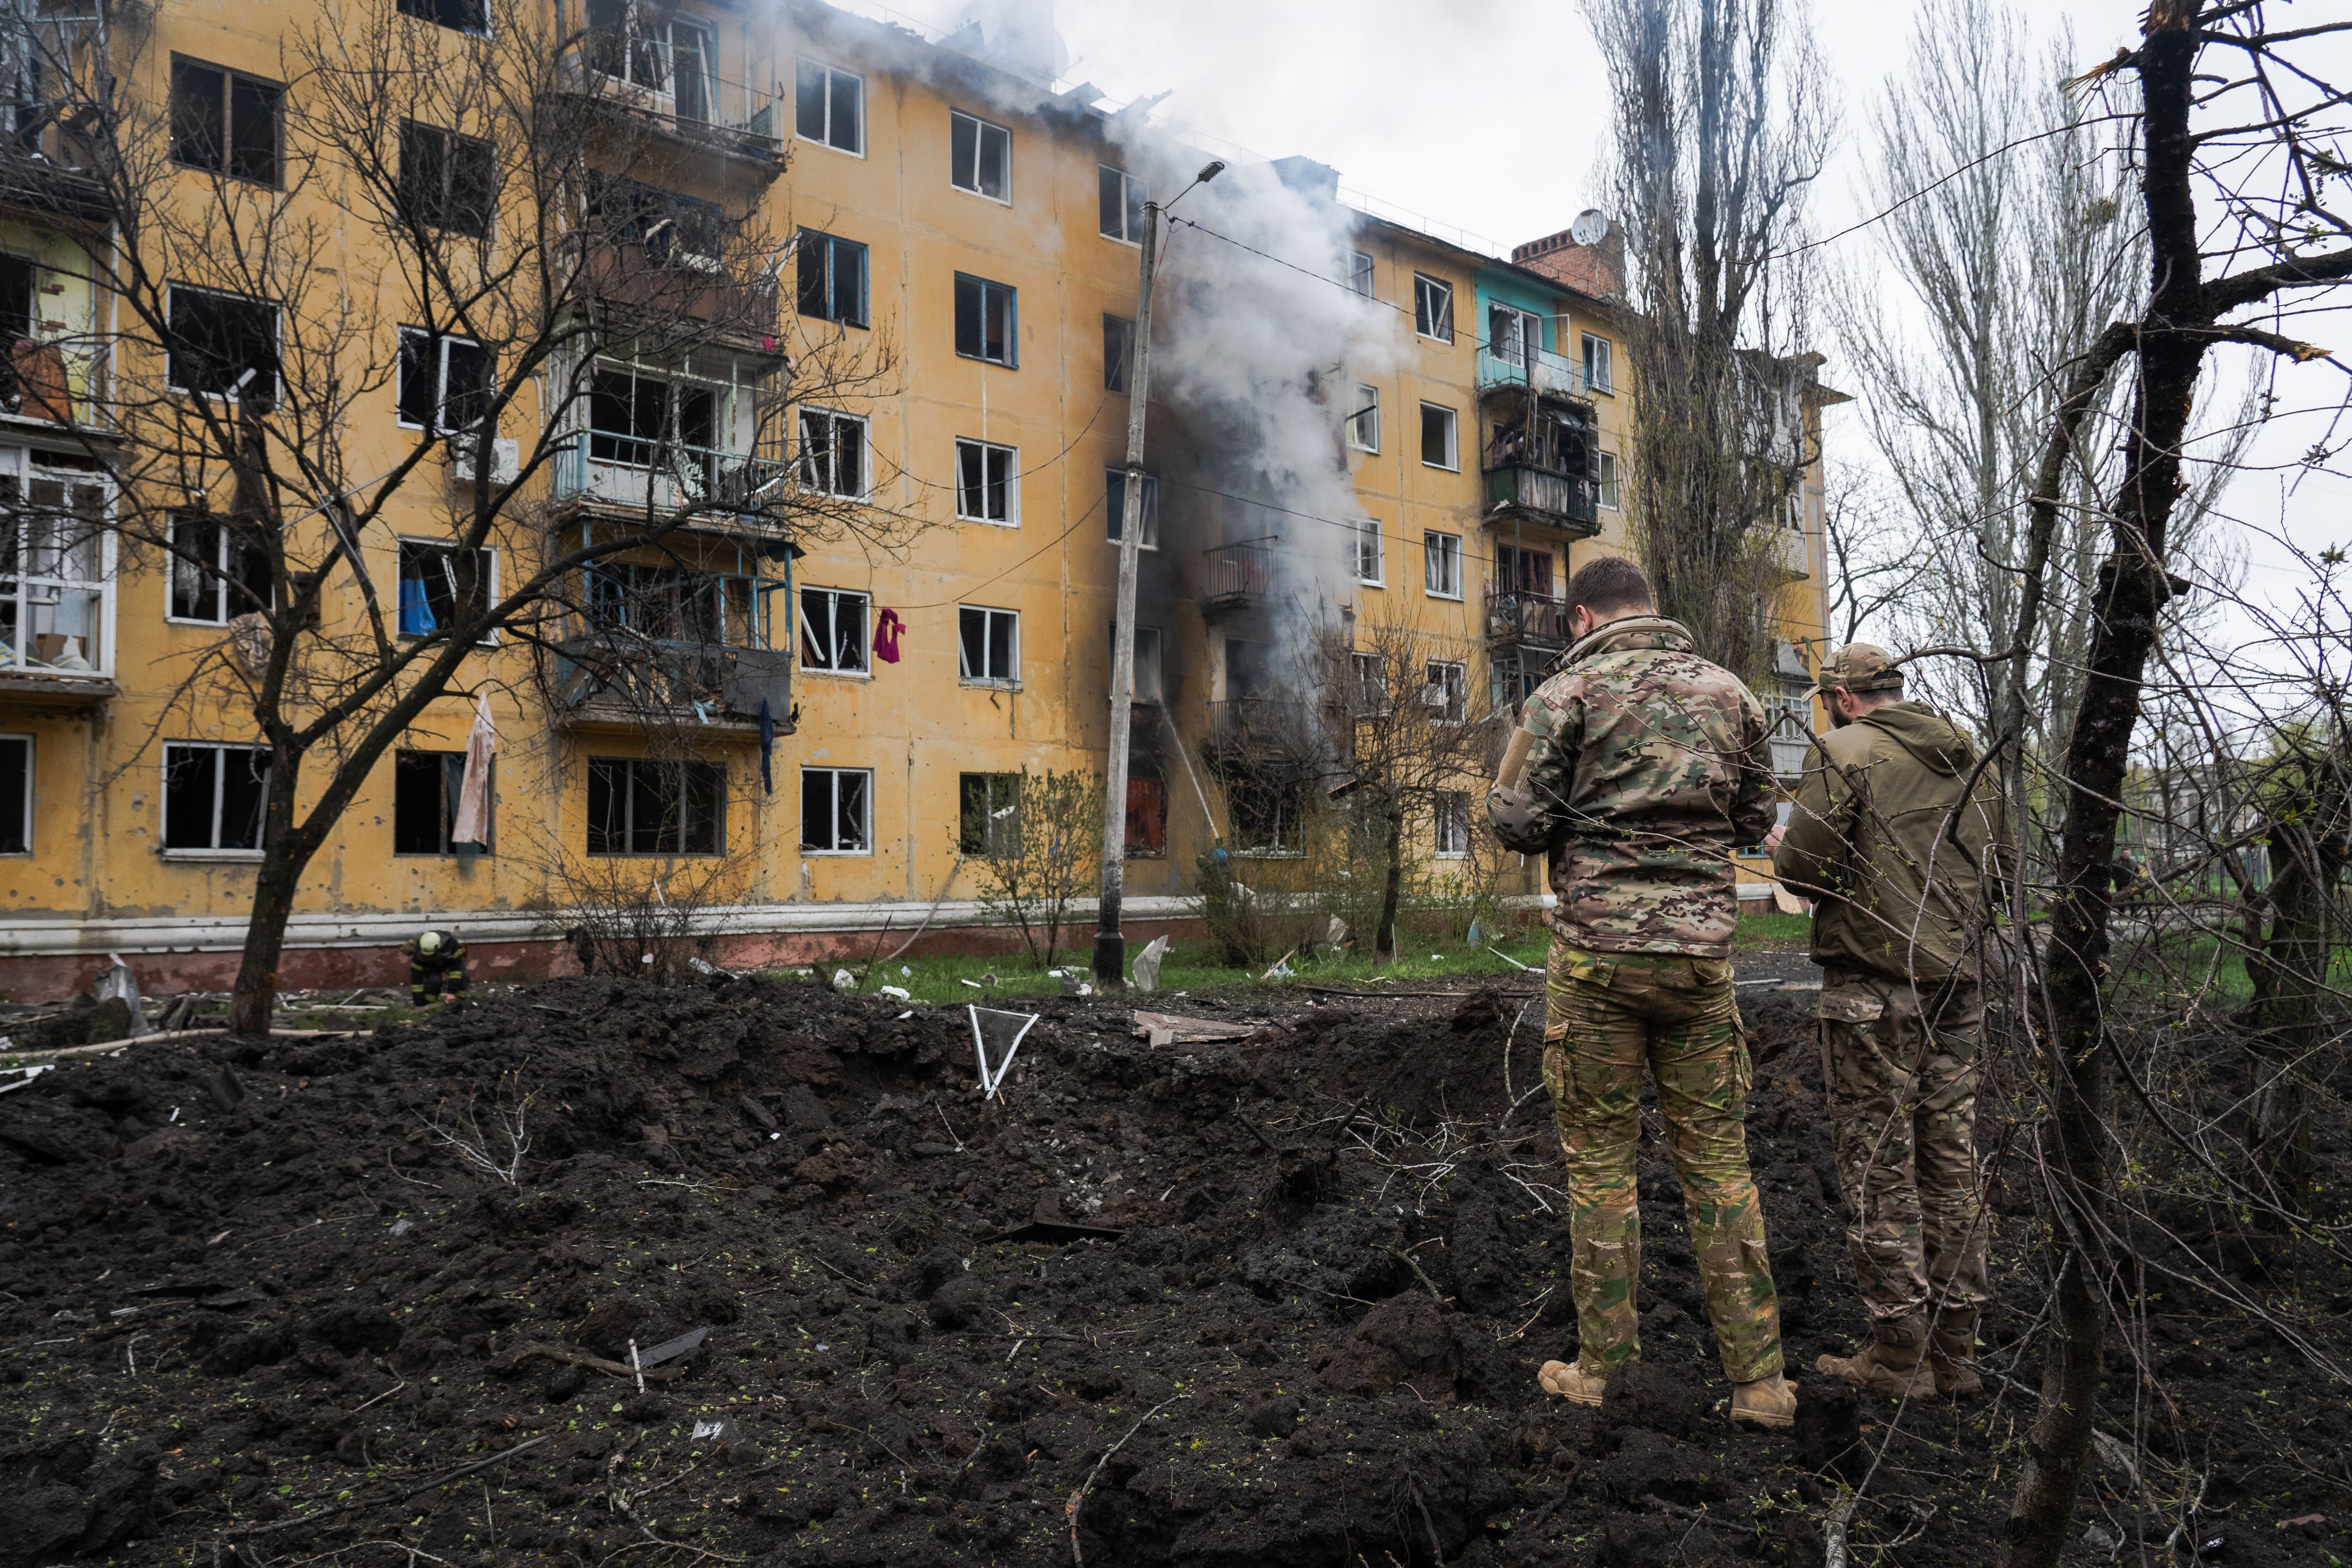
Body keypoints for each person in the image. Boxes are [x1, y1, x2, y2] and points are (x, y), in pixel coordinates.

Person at [1487, 557, 1795, 1430]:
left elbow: (1518, 823)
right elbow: (1752, 824)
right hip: (1700, 964)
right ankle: (1761, 1384)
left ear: (1582, 616)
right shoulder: (1734, 694)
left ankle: (1606, 1372)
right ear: (1650, 608)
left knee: (1601, 1170)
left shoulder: (1567, 693)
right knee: (1721, 1167)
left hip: (1598, 964)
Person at [1768, 644, 2008, 1401]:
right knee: (1951, 1158)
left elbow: (1806, 871)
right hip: (1962, 984)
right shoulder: (1971, 755)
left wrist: (1783, 849)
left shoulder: (1844, 751)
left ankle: (1900, 1353)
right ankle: (1959, 1351)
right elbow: (1998, 875)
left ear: (1841, 696)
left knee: (1880, 1166)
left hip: (1875, 988)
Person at [405, 929, 471, 1008]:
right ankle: (429, 1003)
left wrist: (451, 993)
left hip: (448, 964)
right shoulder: (419, 949)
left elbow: (456, 969)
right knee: (435, 981)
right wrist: (418, 1001)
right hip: (431, 966)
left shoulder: (452, 944)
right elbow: (416, 976)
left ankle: (459, 1003)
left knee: (463, 976)